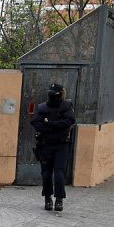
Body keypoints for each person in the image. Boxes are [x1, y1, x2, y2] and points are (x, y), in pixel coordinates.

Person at [31, 83, 75, 212]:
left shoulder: (66, 106)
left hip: (61, 145)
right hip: (46, 144)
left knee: (59, 173)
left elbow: (69, 121)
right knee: (46, 174)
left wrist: (50, 124)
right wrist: (55, 126)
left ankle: (59, 199)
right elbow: (36, 123)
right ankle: (48, 198)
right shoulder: (42, 107)